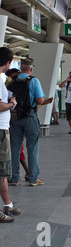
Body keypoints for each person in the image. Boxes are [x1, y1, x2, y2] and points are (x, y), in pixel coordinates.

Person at [9, 57, 53, 187]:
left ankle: (15, 178)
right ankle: (33, 178)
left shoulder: (13, 81)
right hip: (30, 117)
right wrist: (45, 101)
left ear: (21, 67)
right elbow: (39, 101)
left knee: (15, 148)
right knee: (32, 148)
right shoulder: (34, 81)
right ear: (31, 69)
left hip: (15, 117)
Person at [0, 47, 20, 222]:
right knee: (1, 171)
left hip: (2, 129)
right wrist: (11, 103)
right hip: (0, 130)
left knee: (3, 171)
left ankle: (8, 204)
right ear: (8, 63)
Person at [5, 68, 29, 183]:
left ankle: (21, 174)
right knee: (16, 149)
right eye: (14, 76)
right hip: (10, 121)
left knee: (18, 149)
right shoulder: (7, 86)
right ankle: (21, 174)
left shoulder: (19, 86)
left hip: (14, 121)